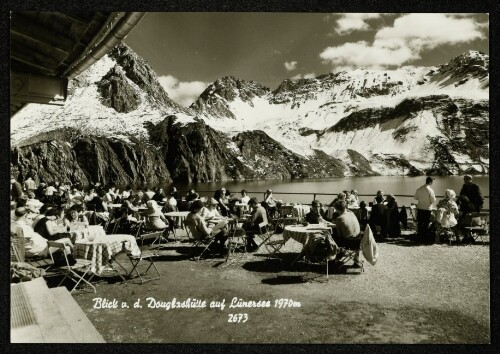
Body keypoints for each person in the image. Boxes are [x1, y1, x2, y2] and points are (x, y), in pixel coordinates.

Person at [332, 201, 362, 267]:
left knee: (332, 237)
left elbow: (339, 235)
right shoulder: (352, 213)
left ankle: (336, 259)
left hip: (348, 242)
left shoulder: (339, 218)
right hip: (359, 240)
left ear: (336, 209)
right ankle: (356, 261)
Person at [414, 176, 436, 244]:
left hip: (420, 208)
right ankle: (424, 238)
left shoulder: (419, 189)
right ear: (430, 182)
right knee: (426, 223)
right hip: (427, 209)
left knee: (420, 223)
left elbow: (416, 198)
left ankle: (419, 237)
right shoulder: (430, 190)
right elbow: (433, 200)